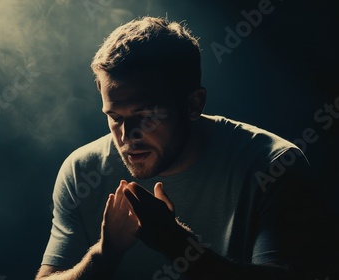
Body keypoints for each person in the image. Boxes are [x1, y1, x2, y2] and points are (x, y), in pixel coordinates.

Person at [35, 16, 322, 280]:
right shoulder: (82, 171)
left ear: (193, 104)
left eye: (146, 116)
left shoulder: (273, 165)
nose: (128, 136)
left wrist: (175, 243)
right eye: (115, 117)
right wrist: (102, 256)